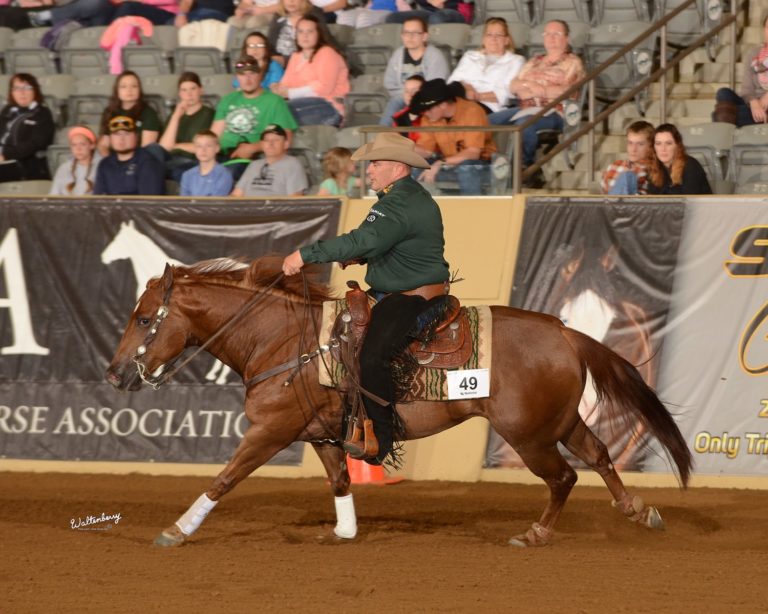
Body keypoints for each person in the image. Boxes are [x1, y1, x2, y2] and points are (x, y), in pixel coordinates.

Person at [281, 132, 450, 465]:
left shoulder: (398, 202)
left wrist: (306, 254)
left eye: (376, 163)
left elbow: (364, 240)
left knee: (373, 356)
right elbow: (385, 243)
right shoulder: (402, 198)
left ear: (399, 168)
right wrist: (363, 256)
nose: (368, 170)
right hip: (396, 291)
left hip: (411, 297)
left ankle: (381, 440)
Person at [506, 19, 586, 187]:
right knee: (490, 120)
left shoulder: (572, 62)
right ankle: (490, 167)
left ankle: (526, 167)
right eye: (548, 34)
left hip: (554, 111)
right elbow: (513, 85)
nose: (551, 38)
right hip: (525, 108)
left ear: (567, 38)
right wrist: (532, 86)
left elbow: (567, 91)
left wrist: (533, 89)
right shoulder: (534, 61)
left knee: (523, 125)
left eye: (556, 34)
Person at [211, 56, 298, 179]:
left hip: (252, 159)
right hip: (221, 156)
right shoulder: (227, 100)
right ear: (237, 77)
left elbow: (286, 139)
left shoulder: (275, 101)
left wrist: (253, 148)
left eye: (252, 73)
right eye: (242, 74)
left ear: (260, 75)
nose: (247, 79)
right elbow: (214, 135)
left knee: (224, 176)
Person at [409, 78, 496, 195]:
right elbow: (427, 150)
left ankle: (471, 209)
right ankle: (420, 211)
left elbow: (473, 153)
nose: (425, 113)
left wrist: (441, 163)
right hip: (448, 165)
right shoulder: (429, 118)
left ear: (443, 104)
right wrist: (404, 147)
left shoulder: (472, 111)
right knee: (414, 168)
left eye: (428, 109)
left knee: (467, 168)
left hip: (482, 166)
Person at [271, 14, 349, 127]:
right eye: (300, 32)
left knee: (283, 114)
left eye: (310, 31)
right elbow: (285, 84)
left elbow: (324, 88)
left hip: (329, 107)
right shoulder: (296, 56)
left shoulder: (327, 53)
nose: (305, 36)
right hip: (301, 104)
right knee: (272, 110)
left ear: (319, 34)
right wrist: (277, 88)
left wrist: (290, 92)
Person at [448, 17, 525, 115]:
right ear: (483, 39)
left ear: (506, 40)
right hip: (461, 98)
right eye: (489, 34)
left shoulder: (516, 60)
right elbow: (453, 80)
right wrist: (468, 88)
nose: (493, 38)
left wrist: (477, 96)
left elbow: (507, 93)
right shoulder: (470, 55)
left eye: (498, 35)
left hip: (489, 107)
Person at [380, 16, 449, 126]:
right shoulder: (398, 54)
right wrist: (407, 94)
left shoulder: (435, 56)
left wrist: (413, 95)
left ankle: (382, 136)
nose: (410, 37)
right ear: (401, 36)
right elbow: (389, 83)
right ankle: (382, 137)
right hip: (402, 97)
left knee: (396, 101)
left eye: (416, 33)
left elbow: (434, 88)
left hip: (427, 101)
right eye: (406, 33)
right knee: (396, 100)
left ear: (425, 36)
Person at [157, 71, 215, 182]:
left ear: (200, 90)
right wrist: (176, 116)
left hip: (193, 161)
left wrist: (177, 146)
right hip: (171, 160)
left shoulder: (209, 114)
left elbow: (202, 147)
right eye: (184, 90)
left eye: (193, 89)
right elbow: (164, 147)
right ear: (180, 93)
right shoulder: (175, 115)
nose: (189, 94)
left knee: (180, 171)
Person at [713, 14, 768, 127]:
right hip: (752, 105)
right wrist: (754, 103)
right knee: (723, 93)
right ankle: (754, 118)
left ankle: (724, 122)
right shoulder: (754, 53)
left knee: (720, 115)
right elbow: (746, 89)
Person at [0, 73, 55, 183]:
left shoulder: (42, 113)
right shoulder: (8, 110)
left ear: (35, 91)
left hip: (23, 164)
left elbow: (35, 143)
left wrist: (5, 155)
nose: (22, 92)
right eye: (17, 88)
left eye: (27, 88)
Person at [93, 115, 166, 195]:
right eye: (116, 134)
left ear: (136, 137)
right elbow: (98, 198)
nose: (121, 139)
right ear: (110, 138)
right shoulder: (105, 164)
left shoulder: (148, 163)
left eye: (126, 133)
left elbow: (149, 203)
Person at [231, 124, 308, 196]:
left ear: (286, 144)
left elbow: (294, 199)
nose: (270, 143)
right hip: (247, 209)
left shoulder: (292, 164)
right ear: (262, 144)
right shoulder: (254, 165)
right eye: (266, 140)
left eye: (276, 140)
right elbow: (236, 195)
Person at [98, 70, 162, 157]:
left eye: (134, 86)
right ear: (117, 90)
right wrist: (110, 163)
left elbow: (147, 148)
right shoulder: (109, 112)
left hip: (140, 161)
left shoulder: (149, 113)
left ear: (139, 89)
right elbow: (103, 145)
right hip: (114, 161)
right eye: (123, 86)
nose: (129, 90)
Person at [646, 123, 712, 195]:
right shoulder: (655, 167)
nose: (663, 148)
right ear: (654, 147)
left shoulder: (690, 166)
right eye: (658, 144)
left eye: (668, 143)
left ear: (677, 146)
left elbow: (690, 203)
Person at [267, 0, 330, 66]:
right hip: (280, 64)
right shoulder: (279, 16)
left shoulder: (314, 14)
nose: (291, 1)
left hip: (307, 62)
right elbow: (270, 44)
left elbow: (324, 40)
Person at [600, 120, 655, 195]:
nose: (633, 149)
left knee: (628, 176)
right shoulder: (614, 166)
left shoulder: (655, 171)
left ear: (651, 146)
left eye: (640, 144)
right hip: (611, 204)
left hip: (636, 205)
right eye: (630, 143)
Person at [49, 125, 102, 196]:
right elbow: (54, 195)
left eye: (82, 144)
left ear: (92, 145)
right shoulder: (64, 168)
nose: (78, 149)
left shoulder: (101, 166)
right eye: (74, 145)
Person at [179, 130, 233, 196]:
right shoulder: (187, 175)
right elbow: (184, 202)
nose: (203, 150)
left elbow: (215, 203)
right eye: (199, 146)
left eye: (208, 146)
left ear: (217, 148)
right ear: (194, 149)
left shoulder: (223, 174)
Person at [391, 74, 425, 141]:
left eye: (414, 91)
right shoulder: (399, 117)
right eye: (406, 91)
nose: (410, 95)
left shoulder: (433, 114)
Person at [385, 0, 468, 25]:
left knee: (437, 18)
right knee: (393, 18)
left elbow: (437, 2)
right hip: (430, 13)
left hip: (457, 12)